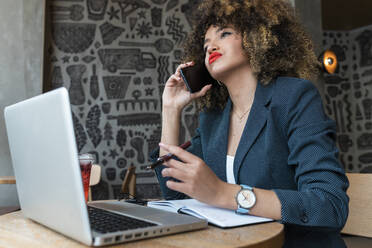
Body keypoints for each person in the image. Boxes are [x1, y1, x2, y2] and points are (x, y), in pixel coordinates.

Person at [150, 0, 349, 247]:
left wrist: (223, 193)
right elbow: (177, 194)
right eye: (206, 43)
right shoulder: (213, 118)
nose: (211, 45)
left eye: (224, 33)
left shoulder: (294, 97)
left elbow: (328, 205)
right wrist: (170, 110)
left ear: (257, 37)